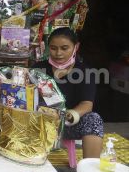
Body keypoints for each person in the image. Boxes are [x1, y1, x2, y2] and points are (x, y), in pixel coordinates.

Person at [33, 27, 103, 158]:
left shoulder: (85, 72)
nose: (58, 53)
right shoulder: (38, 69)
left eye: (64, 48)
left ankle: (90, 171)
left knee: (94, 119)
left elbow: (87, 104)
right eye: (53, 48)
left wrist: (67, 116)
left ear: (76, 47)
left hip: (67, 124)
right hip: (38, 123)